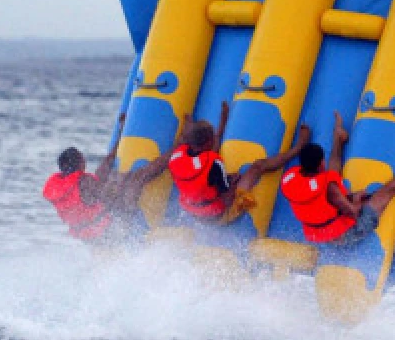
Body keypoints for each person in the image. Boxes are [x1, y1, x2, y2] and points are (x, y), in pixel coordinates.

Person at [280, 112, 395, 246]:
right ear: (321, 163)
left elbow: (321, 199)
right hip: (345, 236)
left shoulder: (290, 178)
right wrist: (356, 199)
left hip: (320, 235)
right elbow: (352, 213)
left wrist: (348, 197)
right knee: (386, 192)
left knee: (331, 178)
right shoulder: (330, 188)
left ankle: (338, 138)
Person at [169, 101, 311, 224]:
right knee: (257, 167)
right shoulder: (214, 163)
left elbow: (201, 166)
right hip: (217, 215)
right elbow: (227, 197)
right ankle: (299, 147)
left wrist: (222, 123)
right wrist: (232, 182)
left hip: (193, 212)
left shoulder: (177, 155)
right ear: (208, 142)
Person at [42, 113, 170, 242]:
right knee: (137, 178)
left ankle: (122, 134)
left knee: (104, 173)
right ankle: (175, 149)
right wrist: (124, 180)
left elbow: (92, 191)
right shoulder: (84, 182)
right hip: (108, 232)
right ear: (81, 162)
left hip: (87, 236)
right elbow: (112, 200)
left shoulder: (60, 187)